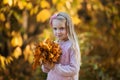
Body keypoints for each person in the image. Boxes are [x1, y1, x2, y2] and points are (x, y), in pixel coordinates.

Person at [41, 12, 81, 80]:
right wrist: (45, 64)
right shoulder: (53, 44)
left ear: (69, 28)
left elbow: (74, 69)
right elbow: (46, 70)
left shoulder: (72, 46)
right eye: (55, 28)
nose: (58, 32)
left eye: (61, 28)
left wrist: (54, 67)